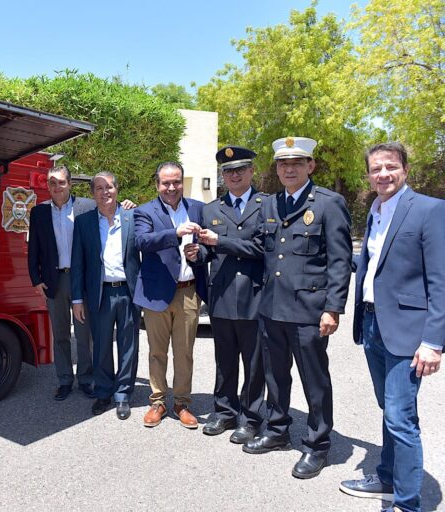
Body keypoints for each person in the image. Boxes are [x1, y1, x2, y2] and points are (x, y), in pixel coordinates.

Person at [339, 142, 445, 512]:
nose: (383, 174)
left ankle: (407, 503)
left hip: (408, 332)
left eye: (390, 167)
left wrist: (433, 341)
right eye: (376, 169)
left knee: (401, 417)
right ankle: (386, 476)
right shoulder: (376, 209)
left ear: (405, 169)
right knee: (389, 408)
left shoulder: (430, 210)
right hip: (372, 323)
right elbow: (374, 263)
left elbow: (440, 280)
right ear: (368, 175)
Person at [243, 137, 352, 480]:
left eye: (296, 163)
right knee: (275, 377)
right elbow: (260, 247)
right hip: (272, 308)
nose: (289, 169)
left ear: (310, 166)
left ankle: (318, 444)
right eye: (282, 164)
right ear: (277, 168)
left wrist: (333, 308)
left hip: (308, 310)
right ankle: (277, 430)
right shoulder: (271, 204)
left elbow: (339, 260)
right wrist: (217, 242)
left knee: (314, 381)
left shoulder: (329, 203)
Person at [197, 146, 266, 443]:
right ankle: (224, 412)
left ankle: (250, 418)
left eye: (240, 169)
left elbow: (264, 249)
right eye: (228, 171)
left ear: (251, 171)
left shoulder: (268, 205)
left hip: (254, 295)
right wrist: (196, 253)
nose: (234, 175)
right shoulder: (210, 209)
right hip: (222, 295)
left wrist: (221, 241)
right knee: (224, 360)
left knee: (254, 363)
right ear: (222, 176)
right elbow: (205, 251)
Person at [133, 162, 208, 429]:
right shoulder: (145, 211)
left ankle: (182, 403)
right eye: (166, 183)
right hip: (156, 293)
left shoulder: (198, 208)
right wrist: (174, 234)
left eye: (176, 182)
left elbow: (209, 244)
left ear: (182, 182)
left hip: (188, 291)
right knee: (157, 352)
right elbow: (142, 241)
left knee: (184, 352)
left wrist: (201, 254)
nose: (171, 187)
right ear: (157, 184)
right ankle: (158, 401)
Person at [71, 172, 141, 420]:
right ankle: (103, 391)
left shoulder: (134, 216)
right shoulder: (84, 222)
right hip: (99, 293)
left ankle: (123, 394)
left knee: (128, 345)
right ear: (93, 194)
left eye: (109, 187)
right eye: (99, 188)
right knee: (100, 345)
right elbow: (77, 263)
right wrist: (77, 299)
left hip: (128, 292)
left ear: (117, 189)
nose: (105, 192)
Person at [28, 165, 96, 401]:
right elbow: (33, 249)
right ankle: (65, 379)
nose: (56, 187)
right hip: (54, 280)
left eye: (61, 182)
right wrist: (36, 280)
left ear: (70, 184)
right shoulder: (39, 213)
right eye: (52, 183)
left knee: (84, 333)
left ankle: (87, 379)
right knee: (60, 334)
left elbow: (112, 215)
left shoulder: (88, 206)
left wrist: (127, 204)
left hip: (82, 280)